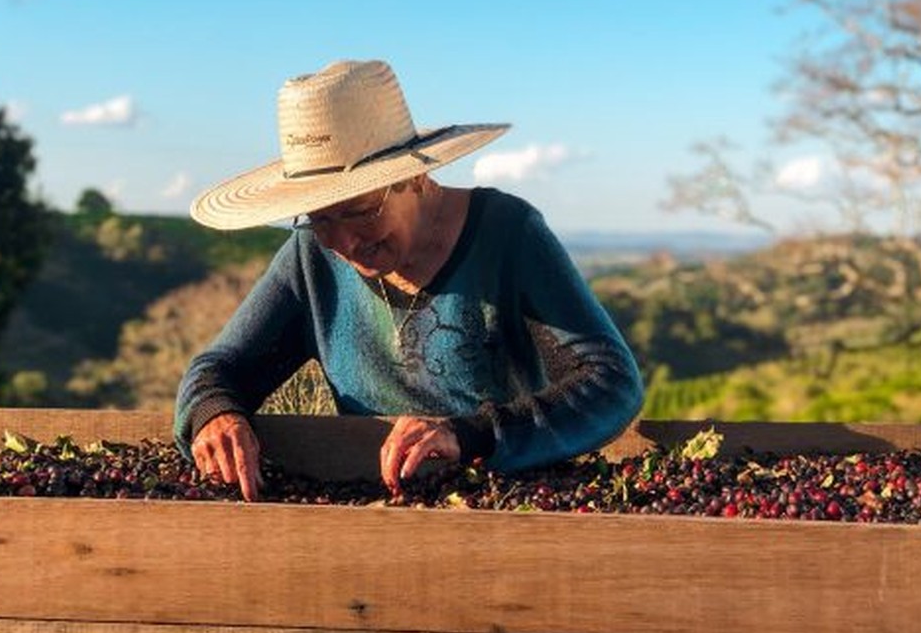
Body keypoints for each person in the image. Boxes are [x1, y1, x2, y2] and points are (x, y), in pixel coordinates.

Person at [175, 59, 644, 500]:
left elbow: (610, 383)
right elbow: (218, 370)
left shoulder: (508, 236)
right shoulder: (309, 258)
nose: (342, 242)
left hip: (511, 505)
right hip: (371, 505)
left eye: (359, 212)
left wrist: (468, 434)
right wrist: (214, 414)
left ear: (416, 178)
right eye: (319, 219)